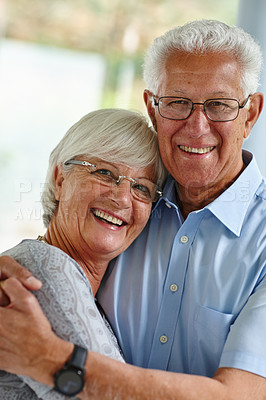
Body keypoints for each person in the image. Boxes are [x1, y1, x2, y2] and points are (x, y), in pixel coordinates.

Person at [0, 19, 266, 399]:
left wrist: (50, 360)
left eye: (219, 104)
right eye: (177, 102)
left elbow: (238, 396)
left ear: (251, 114)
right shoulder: (134, 213)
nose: (196, 126)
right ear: (153, 107)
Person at [0, 108, 166, 399]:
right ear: (60, 181)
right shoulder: (45, 271)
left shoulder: (91, 290)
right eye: (104, 172)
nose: (123, 197)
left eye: (142, 188)